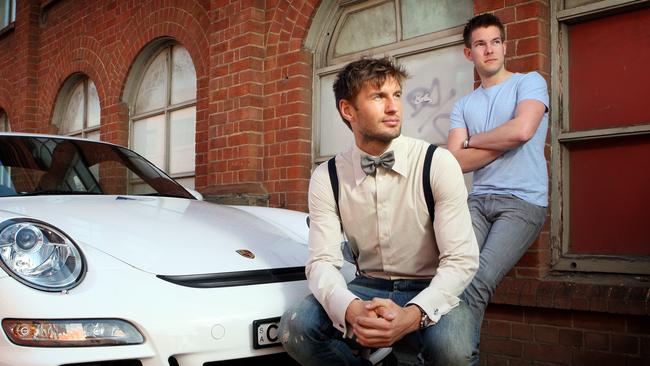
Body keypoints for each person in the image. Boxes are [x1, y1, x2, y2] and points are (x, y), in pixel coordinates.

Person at [279, 57, 479, 366]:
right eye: (378, 96)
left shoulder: (437, 162)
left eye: (396, 95)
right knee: (296, 327)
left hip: (431, 284)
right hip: (368, 283)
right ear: (348, 110)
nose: (394, 107)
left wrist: (412, 316)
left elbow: (461, 260)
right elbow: (321, 262)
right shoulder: (327, 176)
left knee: (452, 350)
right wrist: (350, 308)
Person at [447, 13, 549, 365]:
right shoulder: (464, 105)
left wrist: (474, 141)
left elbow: (523, 130)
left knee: (477, 281)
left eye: (494, 42)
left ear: (505, 46)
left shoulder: (530, 82)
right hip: (477, 201)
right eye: (479, 44)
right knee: (454, 275)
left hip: (522, 202)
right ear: (468, 53)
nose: (488, 50)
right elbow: (455, 161)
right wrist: (505, 139)